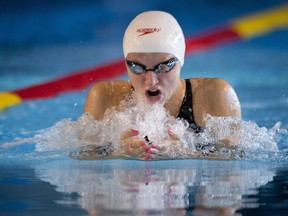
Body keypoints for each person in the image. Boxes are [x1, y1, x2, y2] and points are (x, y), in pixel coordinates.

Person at [83, 11, 241, 160]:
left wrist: (186, 153)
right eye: (137, 67)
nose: (151, 81)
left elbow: (236, 163)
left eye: (164, 66)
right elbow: (85, 164)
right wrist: (118, 153)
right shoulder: (106, 97)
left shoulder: (213, 95)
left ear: (181, 61)